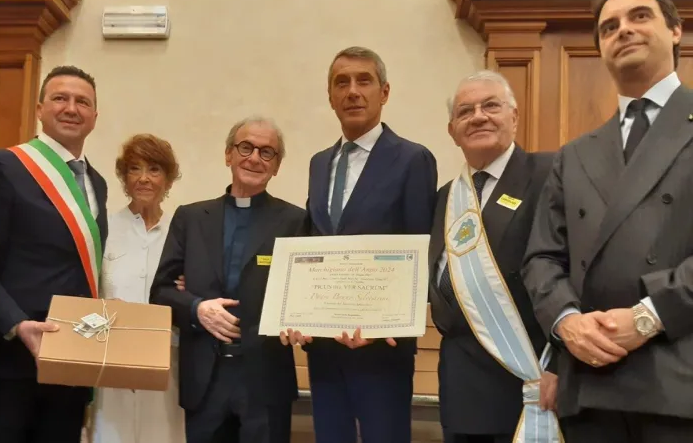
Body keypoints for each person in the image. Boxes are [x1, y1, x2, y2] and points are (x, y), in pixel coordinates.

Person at [522, 0, 693, 441]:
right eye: (609, 27)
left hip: (680, 381)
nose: (624, 30)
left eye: (640, 16)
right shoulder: (575, 155)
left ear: (675, 30)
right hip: (590, 385)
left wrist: (649, 316)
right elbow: (542, 258)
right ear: (600, 47)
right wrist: (567, 322)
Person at [281, 46, 438, 443]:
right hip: (324, 346)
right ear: (330, 97)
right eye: (341, 83)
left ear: (384, 92)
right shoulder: (319, 163)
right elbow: (315, 242)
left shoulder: (413, 159)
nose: (352, 91)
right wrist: (295, 312)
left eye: (363, 81)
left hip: (382, 348)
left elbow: (421, 250)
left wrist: (389, 326)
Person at [0, 65, 108, 443]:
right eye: (60, 98)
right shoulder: (3, 166)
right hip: (10, 359)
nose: (71, 108)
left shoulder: (98, 184)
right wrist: (16, 323)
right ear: (40, 109)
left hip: (71, 356)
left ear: (95, 116)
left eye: (82, 102)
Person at [150, 116, 306, 443]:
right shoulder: (191, 218)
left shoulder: (295, 221)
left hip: (265, 380)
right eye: (246, 147)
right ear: (228, 155)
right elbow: (161, 292)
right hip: (205, 379)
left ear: (277, 166)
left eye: (267, 152)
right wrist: (197, 308)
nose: (254, 158)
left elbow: (307, 293)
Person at [429, 70, 560, 443]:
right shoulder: (445, 198)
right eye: (465, 111)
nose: (478, 117)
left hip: (533, 382)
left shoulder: (551, 174)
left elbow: (577, 272)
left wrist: (563, 364)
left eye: (490, 106)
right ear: (453, 130)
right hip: (461, 391)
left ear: (514, 117)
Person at [92, 134, 185, 443]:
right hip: (111, 360)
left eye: (154, 169)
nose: (144, 178)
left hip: (167, 363)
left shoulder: (182, 233)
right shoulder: (104, 228)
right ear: (124, 177)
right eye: (134, 169)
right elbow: (86, 294)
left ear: (168, 179)